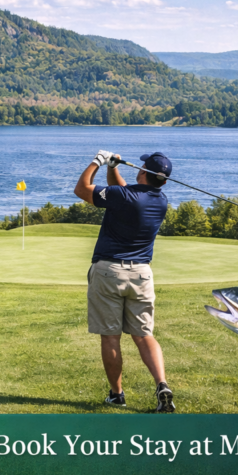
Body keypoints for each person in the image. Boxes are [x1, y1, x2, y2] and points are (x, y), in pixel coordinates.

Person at [73, 149, 176, 413]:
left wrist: (97, 162)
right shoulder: (160, 201)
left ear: (143, 172)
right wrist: (113, 167)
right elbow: (122, 191)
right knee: (144, 335)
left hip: (109, 272)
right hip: (142, 275)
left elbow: (82, 190)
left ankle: (117, 395)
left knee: (111, 337)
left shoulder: (125, 197)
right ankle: (162, 385)